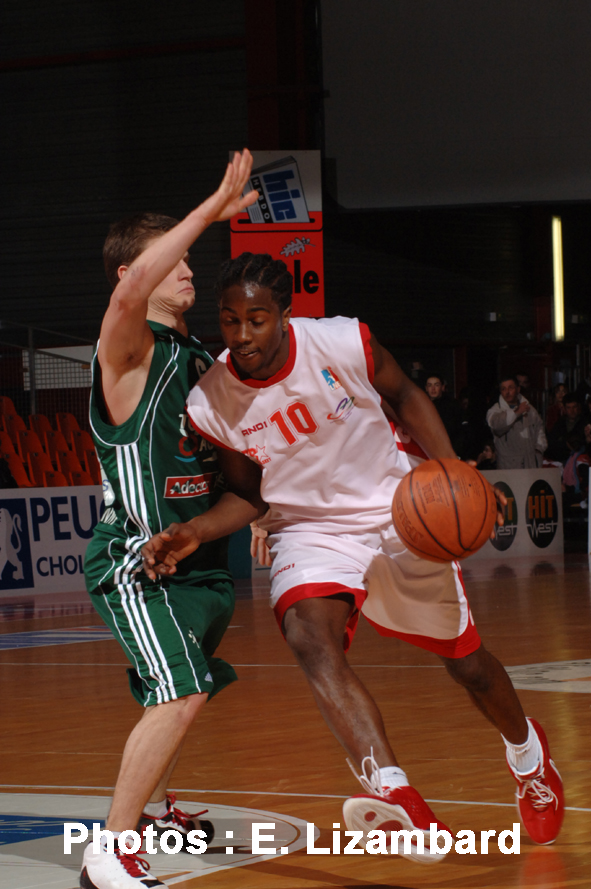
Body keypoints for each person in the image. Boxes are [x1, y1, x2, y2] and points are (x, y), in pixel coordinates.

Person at [143, 253, 564, 862]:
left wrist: (446, 468)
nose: (241, 335)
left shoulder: (343, 341)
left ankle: (529, 756)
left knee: (468, 664)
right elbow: (249, 495)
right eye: (229, 320)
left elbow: (404, 393)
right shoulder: (212, 403)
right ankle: (394, 794)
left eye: (256, 319)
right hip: (309, 529)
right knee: (306, 633)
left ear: (286, 315)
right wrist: (196, 531)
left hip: (397, 508)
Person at [81, 153, 258, 889]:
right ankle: (109, 852)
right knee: (179, 689)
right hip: (139, 562)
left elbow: (243, 476)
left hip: (201, 562)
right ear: (136, 273)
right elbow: (126, 303)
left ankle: (151, 814)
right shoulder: (126, 352)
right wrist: (206, 209)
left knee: (181, 692)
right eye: (177, 259)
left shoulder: (196, 356)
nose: (190, 269)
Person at [486, 377, 547, 469]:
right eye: (503, 389)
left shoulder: (530, 409)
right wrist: (516, 412)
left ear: (518, 389)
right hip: (508, 466)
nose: (507, 392)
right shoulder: (495, 410)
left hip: (530, 464)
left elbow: (539, 430)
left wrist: (538, 451)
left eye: (510, 388)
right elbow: (496, 427)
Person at [425, 373, 465, 457]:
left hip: (448, 450)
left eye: (436, 385)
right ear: (426, 388)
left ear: (442, 387)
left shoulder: (452, 405)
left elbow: (457, 430)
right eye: (430, 385)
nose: (433, 389)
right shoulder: (423, 405)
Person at [546, 392, 587, 464]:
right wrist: (565, 444)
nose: (572, 411)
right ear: (564, 408)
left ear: (578, 407)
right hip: (561, 460)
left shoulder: (585, 423)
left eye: (574, 407)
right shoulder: (560, 423)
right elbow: (551, 442)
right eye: (569, 407)